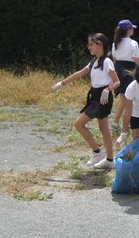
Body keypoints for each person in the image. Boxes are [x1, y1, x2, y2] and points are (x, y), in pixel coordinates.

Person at [51, 33, 120, 170]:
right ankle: (109, 159)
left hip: (103, 96)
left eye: (91, 45)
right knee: (103, 128)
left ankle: (97, 152)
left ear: (99, 45)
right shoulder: (94, 61)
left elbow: (117, 81)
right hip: (95, 95)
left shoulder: (106, 61)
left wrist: (108, 89)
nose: (89, 47)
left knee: (79, 124)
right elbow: (80, 73)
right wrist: (61, 83)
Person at [111, 19, 139, 131]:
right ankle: (118, 122)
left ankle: (124, 121)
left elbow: (114, 60)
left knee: (124, 97)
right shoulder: (133, 43)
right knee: (127, 97)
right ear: (128, 30)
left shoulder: (115, 43)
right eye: (132, 28)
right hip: (129, 70)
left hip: (118, 69)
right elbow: (137, 61)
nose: (133, 30)